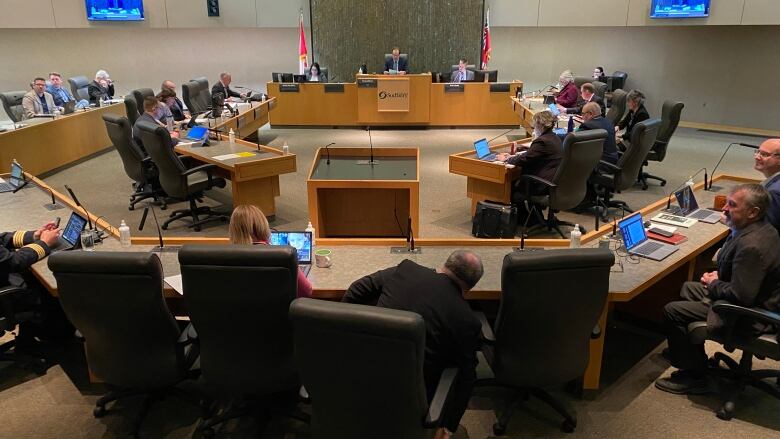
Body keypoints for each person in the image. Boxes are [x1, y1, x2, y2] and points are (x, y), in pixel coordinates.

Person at [342, 250, 484, 439]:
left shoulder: (406, 269)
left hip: (357, 376)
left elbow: (356, 290)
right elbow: (467, 377)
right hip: (411, 400)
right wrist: (449, 425)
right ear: (470, 286)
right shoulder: (466, 320)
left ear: (446, 264)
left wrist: (343, 335)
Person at [655, 183, 780, 395]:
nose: (724, 209)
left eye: (732, 205)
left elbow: (742, 296)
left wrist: (714, 283)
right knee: (688, 287)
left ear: (753, 212)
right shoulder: (762, 229)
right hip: (759, 297)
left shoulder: (752, 246)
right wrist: (720, 277)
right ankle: (688, 349)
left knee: (673, 310)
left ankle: (694, 375)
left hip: (752, 315)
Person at [228, 205, 312, 298]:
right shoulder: (283, 256)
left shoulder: (222, 257)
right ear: (263, 226)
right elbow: (306, 291)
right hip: (278, 311)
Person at [1, 222, 64, 345]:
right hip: (4, 299)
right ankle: (57, 340)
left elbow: (2, 238)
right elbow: (14, 261)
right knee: (48, 286)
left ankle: (32, 333)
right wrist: (44, 243)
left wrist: (35, 236)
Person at [754, 138, 780, 231]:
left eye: (764, 154)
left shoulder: (774, 192)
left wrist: (733, 224)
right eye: (758, 152)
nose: (757, 157)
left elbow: (767, 230)